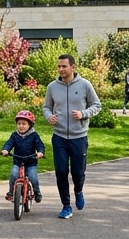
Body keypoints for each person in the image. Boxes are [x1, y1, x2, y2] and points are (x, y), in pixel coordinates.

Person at [43, 54, 101, 219]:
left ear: (73, 67)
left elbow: (97, 105)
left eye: (64, 66)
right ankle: (66, 206)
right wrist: (49, 117)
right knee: (61, 171)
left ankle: (78, 190)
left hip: (79, 136)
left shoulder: (85, 85)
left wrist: (83, 114)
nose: (61, 69)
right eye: (59, 66)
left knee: (78, 172)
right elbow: (46, 107)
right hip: (59, 136)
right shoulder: (52, 87)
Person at [0, 110, 44, 203]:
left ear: (30, 125)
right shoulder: (15, 135)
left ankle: (37, 192)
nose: (21, 126)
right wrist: (5, 150)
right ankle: (11, 193)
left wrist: (40, 152)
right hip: (18, 161)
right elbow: (9, 143)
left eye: (24, 124)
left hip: (30, 162)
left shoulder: (34, 135)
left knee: (33, 177)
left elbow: (40, 145)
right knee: (13, 174)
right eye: (19, 123)